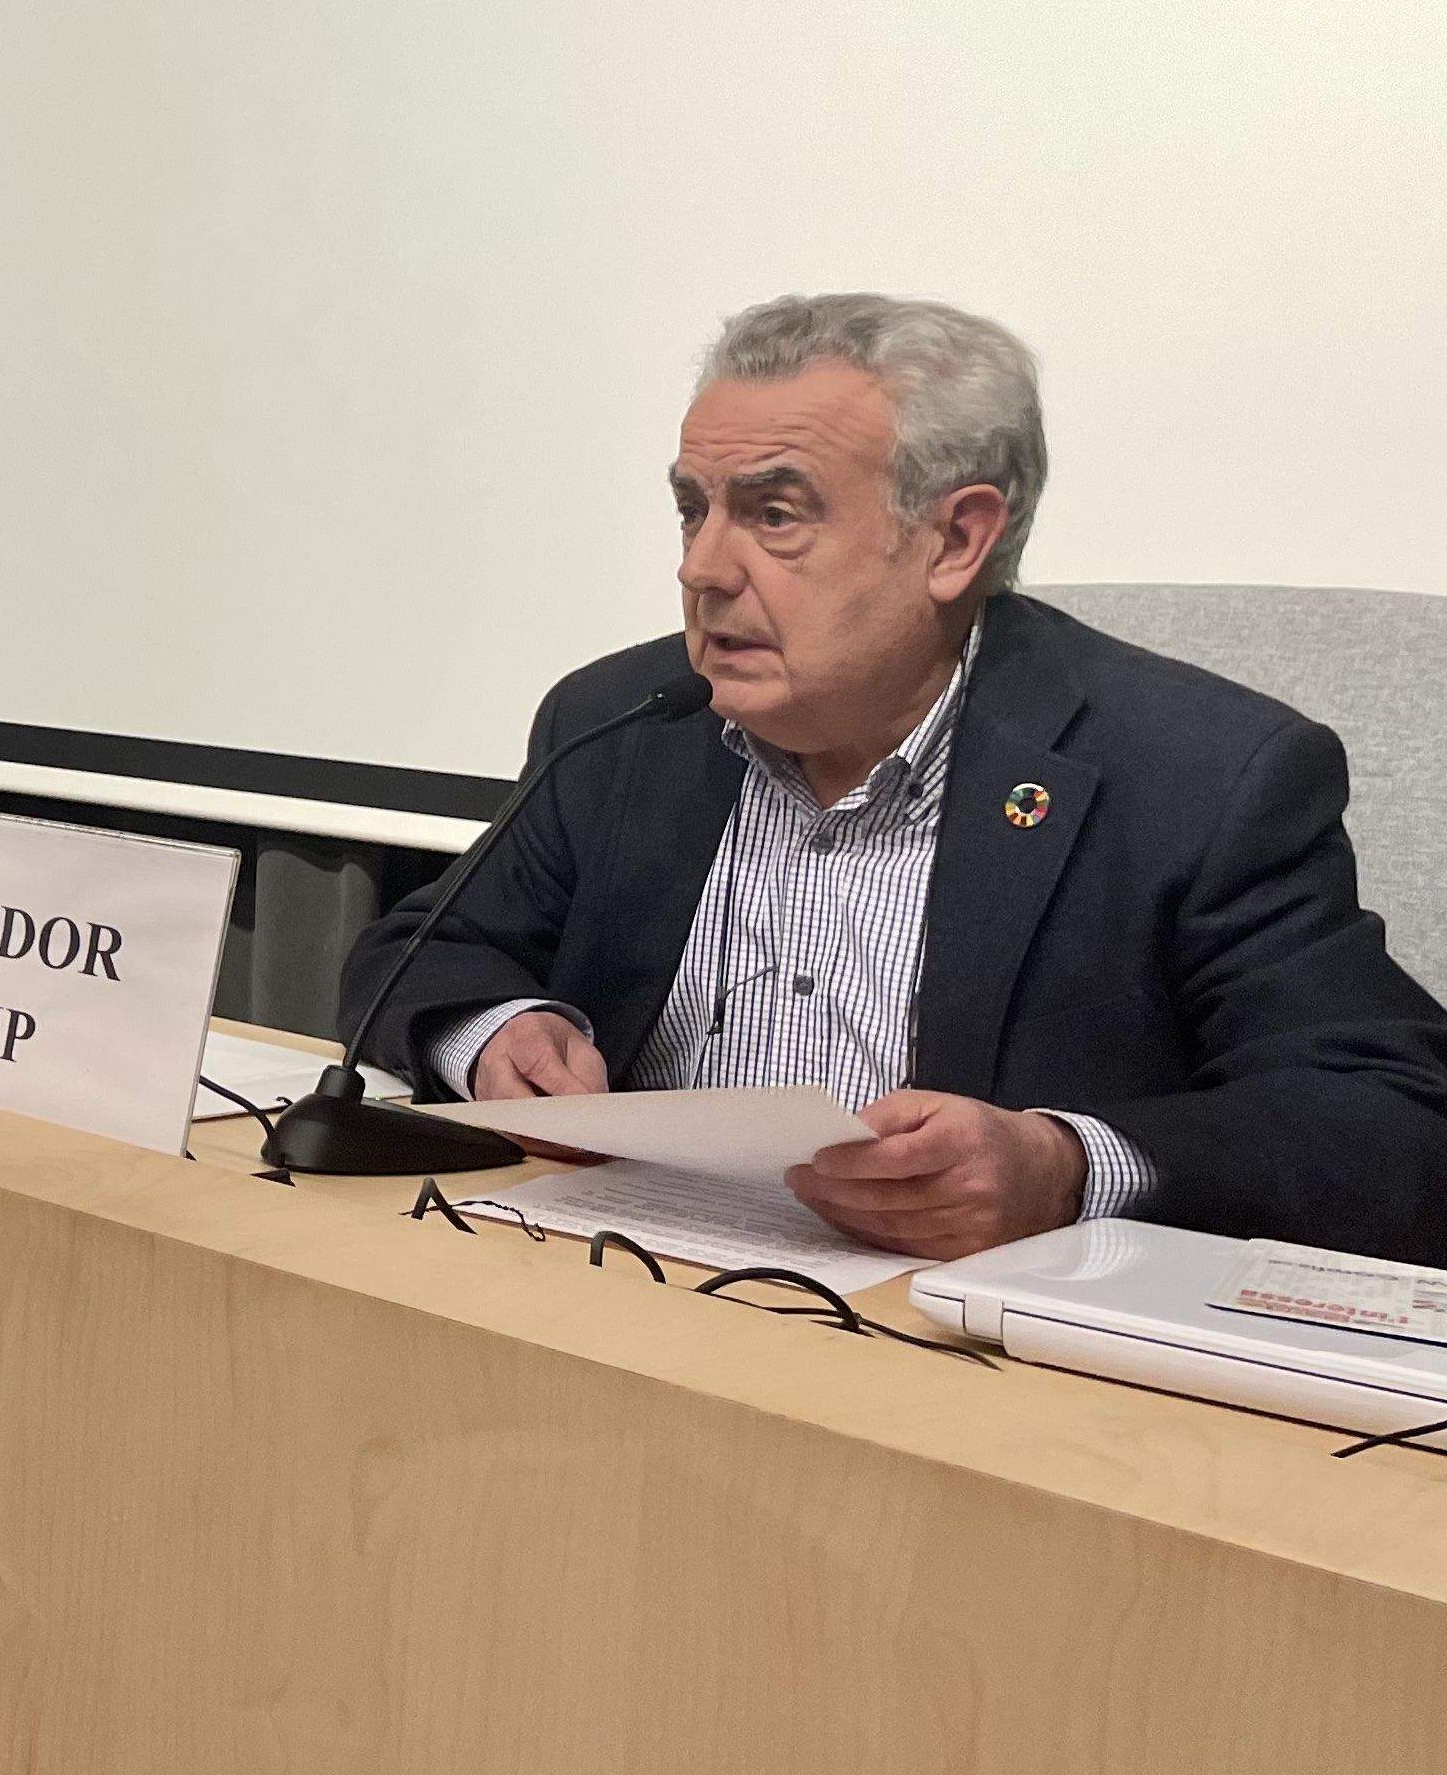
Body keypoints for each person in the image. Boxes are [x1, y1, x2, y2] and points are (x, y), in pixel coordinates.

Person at [341, 291, 1447, 1265]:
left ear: (955, 540)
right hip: (620, 1284)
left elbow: (1390, 1121)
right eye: (694, 507)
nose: (701, 567)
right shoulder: (626, 722)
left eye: (774, 513)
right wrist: (494, 1031)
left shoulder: (1200, 777)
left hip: (955, 1357)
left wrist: (1062, 1165)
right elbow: (423, 953)